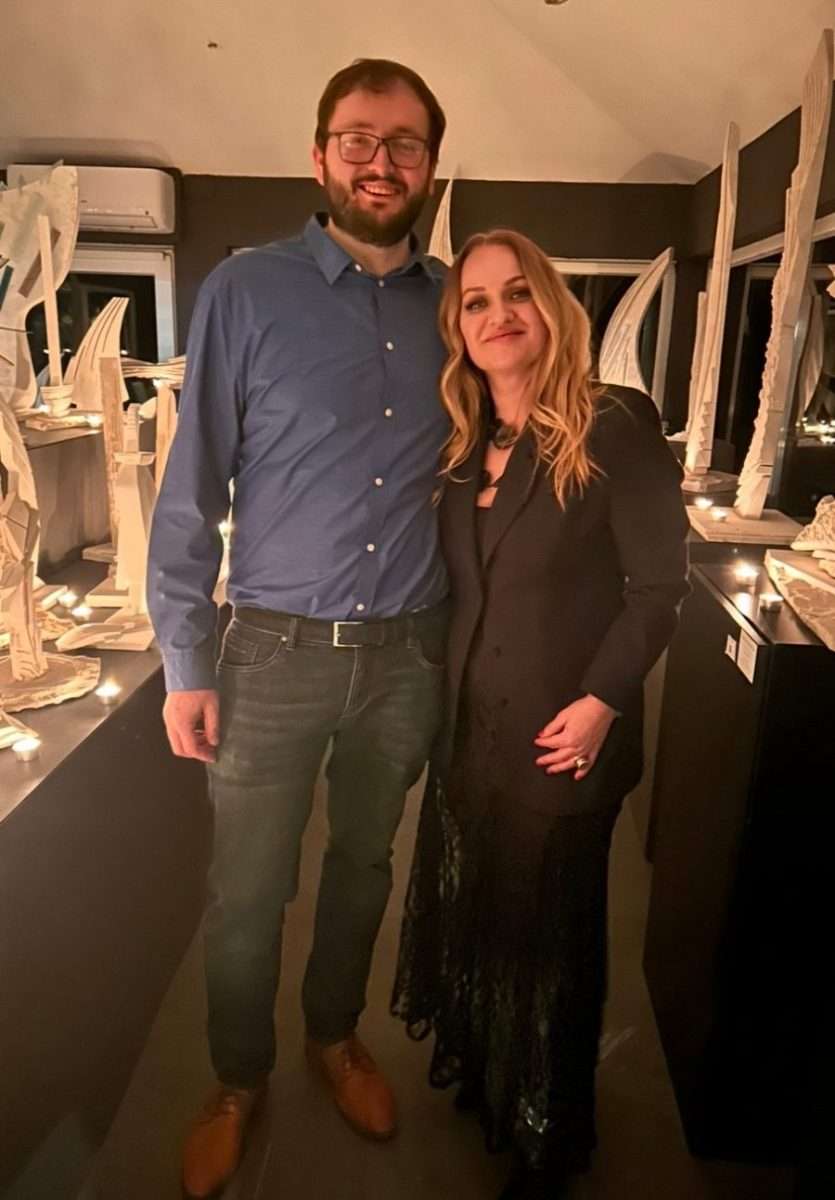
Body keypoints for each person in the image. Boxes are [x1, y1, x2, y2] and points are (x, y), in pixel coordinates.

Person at [147, 59, 450, 1200]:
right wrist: (185, 660)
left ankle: (334, 1034)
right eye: (358, 139)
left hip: (407, 652)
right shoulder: (244, 289)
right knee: (245, 893)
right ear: (319, 155)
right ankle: (237, 1078)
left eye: (405, 142)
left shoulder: (456, 306)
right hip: (269, 650)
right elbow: (192, 488)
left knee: (365, 865)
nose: (381, 161)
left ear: (430, 164)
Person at [391, 229, 690, 1199]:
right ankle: (493, 1076)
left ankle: (546, 1131)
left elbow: (658, 588)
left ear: (550, 306)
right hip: (471, 732)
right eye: (475, 302)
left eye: (516, 292)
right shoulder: (461, 446)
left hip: (564, 736)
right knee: (485, 916)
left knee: (549, 941)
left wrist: (603, 700)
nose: (497, 314)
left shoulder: (613, 424)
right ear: (458, 329)